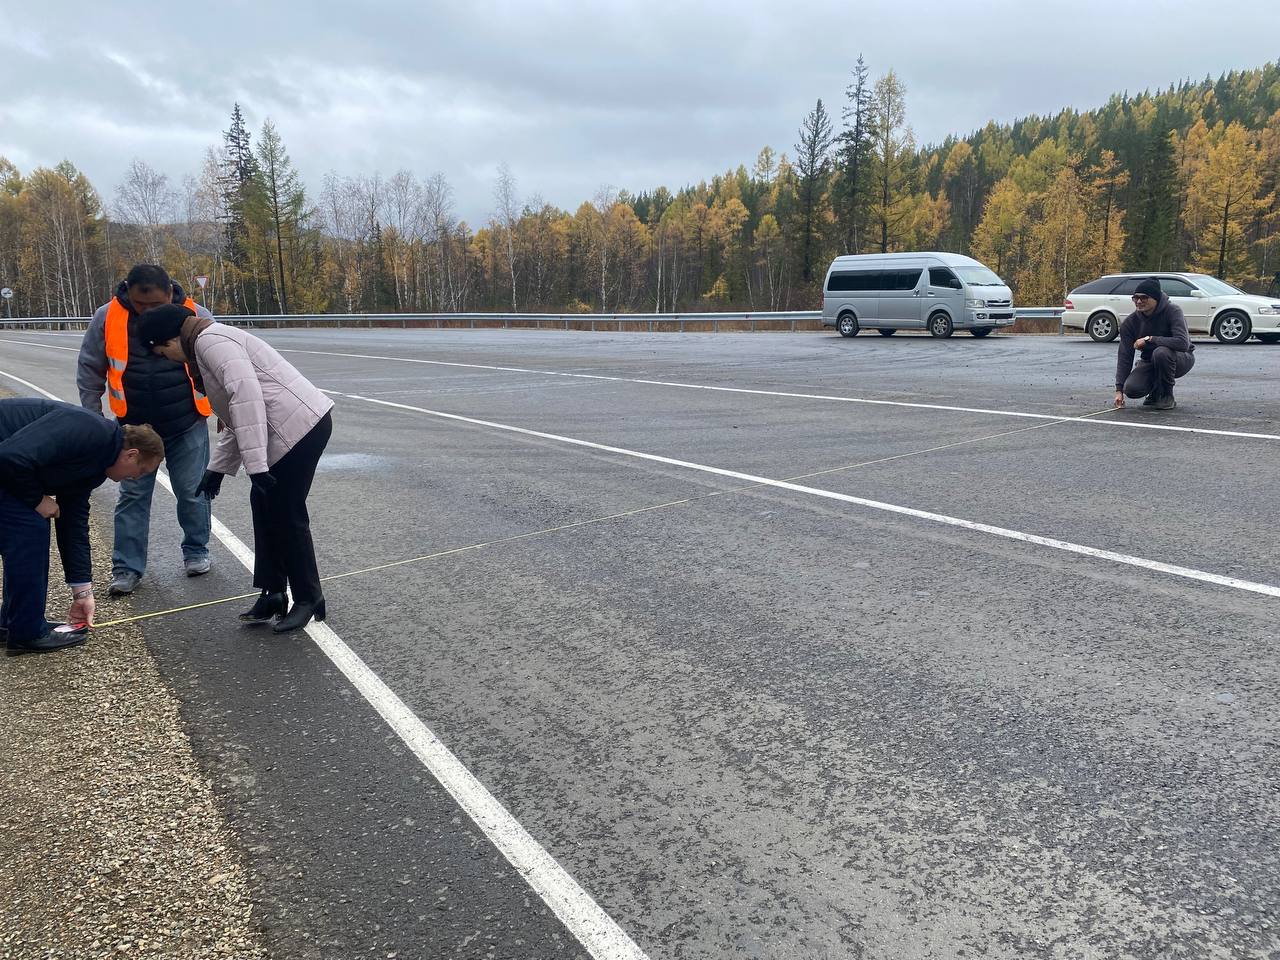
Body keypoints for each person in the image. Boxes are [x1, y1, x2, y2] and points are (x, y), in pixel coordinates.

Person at [139, 304, 334, 633]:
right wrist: (217, 468)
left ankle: (308, 597)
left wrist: (256, 468)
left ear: (171, 341)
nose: (167, 359)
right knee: (263, 505)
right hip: (286, 429)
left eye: (162, 352)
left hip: (301, 428)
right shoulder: (205, 344)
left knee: (286, 514)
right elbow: (234, 415)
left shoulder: (210, 343)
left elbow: (249, 399)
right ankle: (273, 593)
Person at [77, 264, 215, 596]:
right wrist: (94, 422)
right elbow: (89, 369)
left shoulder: (196, 314)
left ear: (170, 292)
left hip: (186, 422)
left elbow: (216, 363)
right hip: (134, 429)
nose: (149, 312)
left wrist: (223, 409)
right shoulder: (107, 317)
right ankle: (127, 568)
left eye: (156, 305)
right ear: (128, 292)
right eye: (142, 305)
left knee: (193, 491)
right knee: (133, 498)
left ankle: (196, 551)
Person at [0, 398, 163, 655]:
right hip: (4, 461)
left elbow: (73, 523)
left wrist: (82, 593)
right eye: (140, 470)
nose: (135, 478)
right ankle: (26, 633)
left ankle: (13, 622)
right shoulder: (90, 432)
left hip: (7, 468)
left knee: (32, 525)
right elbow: (9, 457)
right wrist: (36, 499)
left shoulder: (97, 464)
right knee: (30, 528)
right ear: (132, 454)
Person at [1113, 277, 1195, 411]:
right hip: (1150, 360)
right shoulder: (1130, 323)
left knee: (1161, 352)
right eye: (1135, 298)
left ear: (1156, 298)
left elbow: (1182, 343)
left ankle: (1166, 395)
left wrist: (1151, 339)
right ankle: (1155, 391)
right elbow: (1124, 357)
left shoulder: (1173, 311)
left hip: (1181, 358)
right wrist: (1119, 390)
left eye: (1144, 297)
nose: (1139, 301)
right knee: (1132, 389)